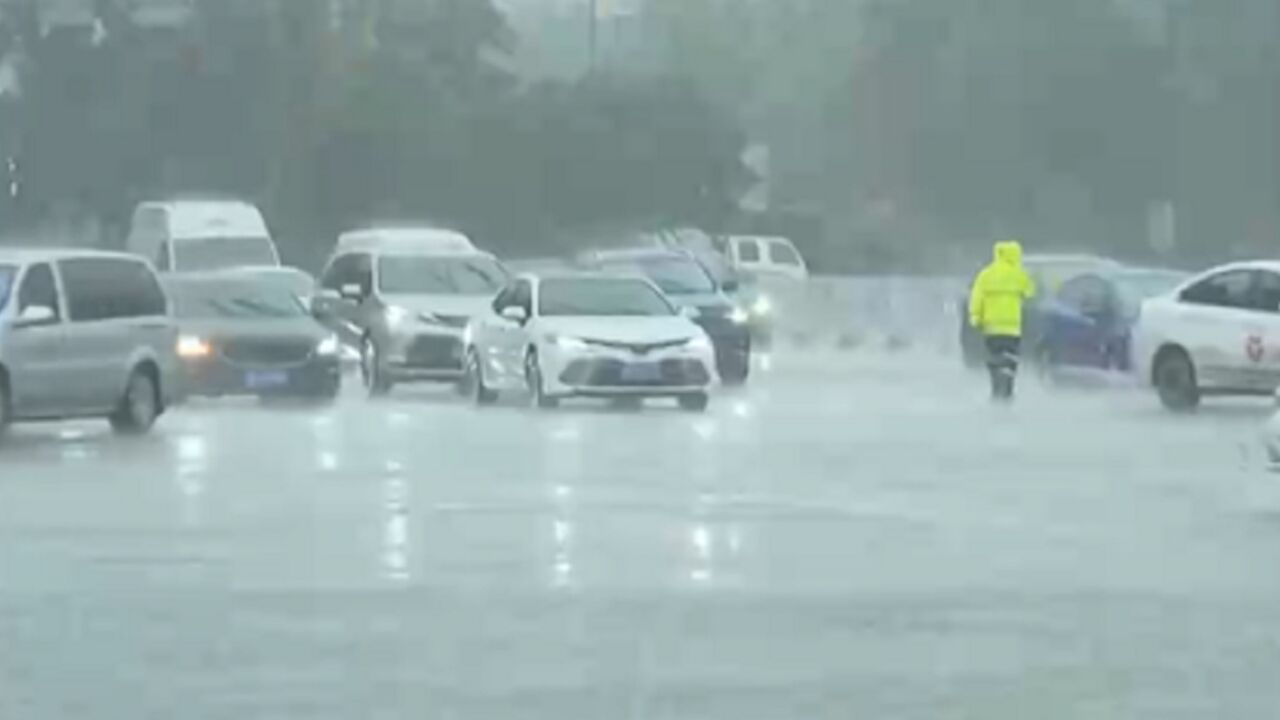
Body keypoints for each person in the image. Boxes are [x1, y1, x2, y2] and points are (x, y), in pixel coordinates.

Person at [968, 240, 1036, 401]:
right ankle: (1007, 391)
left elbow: (976, 297)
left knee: (995, 361)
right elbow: (1031, 292)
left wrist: (975, 317)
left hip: (992, 329)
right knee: (1010, 362)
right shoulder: (1019, 274)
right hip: (1012, 329)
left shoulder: (986, 274)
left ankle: (996, 389)